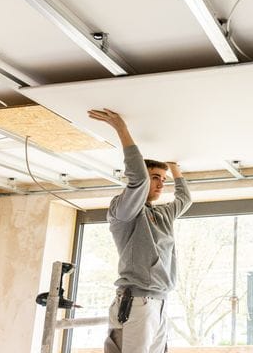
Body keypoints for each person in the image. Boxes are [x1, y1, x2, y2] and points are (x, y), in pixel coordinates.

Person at [88, 108, 193, 353]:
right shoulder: (124, 211)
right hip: (136, 302)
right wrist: (121, 129)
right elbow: (138, 181)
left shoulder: (162, 214)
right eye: (155, 177)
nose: (160, 184)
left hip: (161, 301)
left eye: (163, 180)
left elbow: (184, 199)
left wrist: (173, 168)